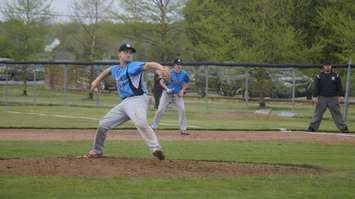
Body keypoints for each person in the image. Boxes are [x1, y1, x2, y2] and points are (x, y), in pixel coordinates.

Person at [84, 43, 169, 160]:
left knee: (140, 123)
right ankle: (97, 151)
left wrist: (161, 68)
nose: (129, 54)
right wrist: (96, 80)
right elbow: (108, 71)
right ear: (119, 54)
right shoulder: (116, 69)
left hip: (137, 99)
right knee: (103, 125)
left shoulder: (133, 66)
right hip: (125, 103)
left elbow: (149, 64)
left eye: (131, 52)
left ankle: (156, 149)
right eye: (125, 52)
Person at [151, 58, 191, 135]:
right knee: (160, 110)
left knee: (182, 110)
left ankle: (183, 130)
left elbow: (187, 83)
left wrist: (182, 90)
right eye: (177, 65)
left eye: (180, 64)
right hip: (167, 94)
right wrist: (167, 88)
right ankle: (153, 127)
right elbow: (161, 82)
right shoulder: (169, 73)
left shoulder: (184, 74)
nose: (179, 66)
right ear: (174, 65)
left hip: (177, 95)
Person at [307, 62, 349, 133]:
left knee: (337, 113)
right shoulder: (319, 76)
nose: (327, 67)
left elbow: (339, 87)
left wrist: (341, 96)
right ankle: (312, 127)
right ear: (323, 66)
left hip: (333, 98)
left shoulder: (336, 76)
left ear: (331, 66)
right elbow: (316, 87)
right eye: (325, 66)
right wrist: (315, 96)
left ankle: (343, 128)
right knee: (318, 113)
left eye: (328, 65)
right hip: (322, 98)